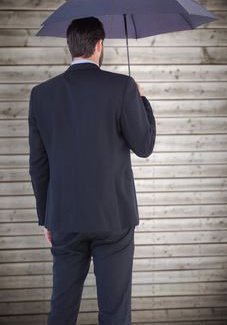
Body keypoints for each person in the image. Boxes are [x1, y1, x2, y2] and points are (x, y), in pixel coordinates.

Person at [28, 16, 156, 325]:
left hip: (64, 218)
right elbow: (145, 146)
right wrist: (141, 100)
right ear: (99, 45)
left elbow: (38, 164)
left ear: (70, 47)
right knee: (114, 313)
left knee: (62, 309)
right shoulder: (122, 87)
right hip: (113, 218)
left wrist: (47, 216)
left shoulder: (41, 95)